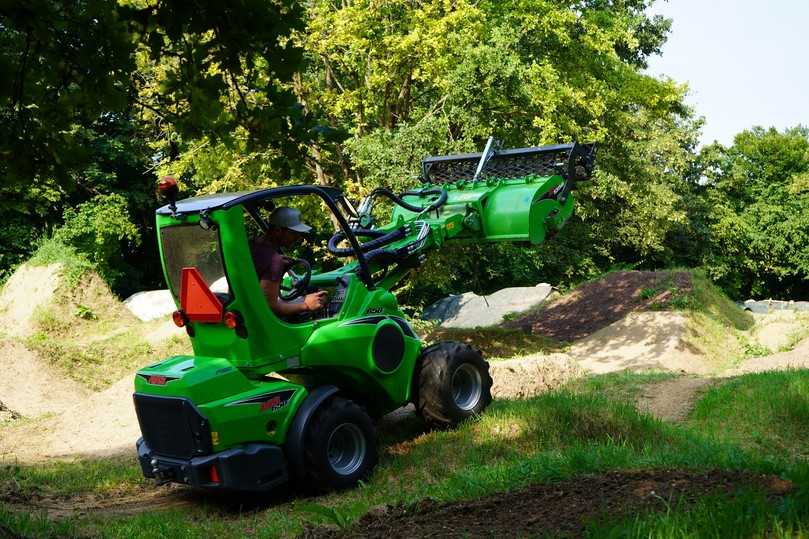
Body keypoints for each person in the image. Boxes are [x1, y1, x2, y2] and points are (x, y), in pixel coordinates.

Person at [250, 206, 327, 319]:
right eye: (294, 233)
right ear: (278, 230)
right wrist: (306, 305)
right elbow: (270, 307)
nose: (298, 237)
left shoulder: (253, 244)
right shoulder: (275, 261)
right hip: (260, 319)